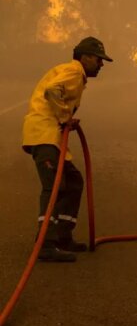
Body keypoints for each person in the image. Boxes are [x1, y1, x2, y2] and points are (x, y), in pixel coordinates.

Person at [21, 37, 113, 262]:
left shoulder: (72, 73)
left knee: (73, 182)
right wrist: (65, 117)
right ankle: (45, 243)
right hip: (44, 135)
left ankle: (63, 236)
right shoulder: (74, 71)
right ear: (85, 57)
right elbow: (52, 90)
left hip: (51, 137)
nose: (101, 65)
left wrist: (66, 118)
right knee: (54, 187)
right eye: (98, 59)